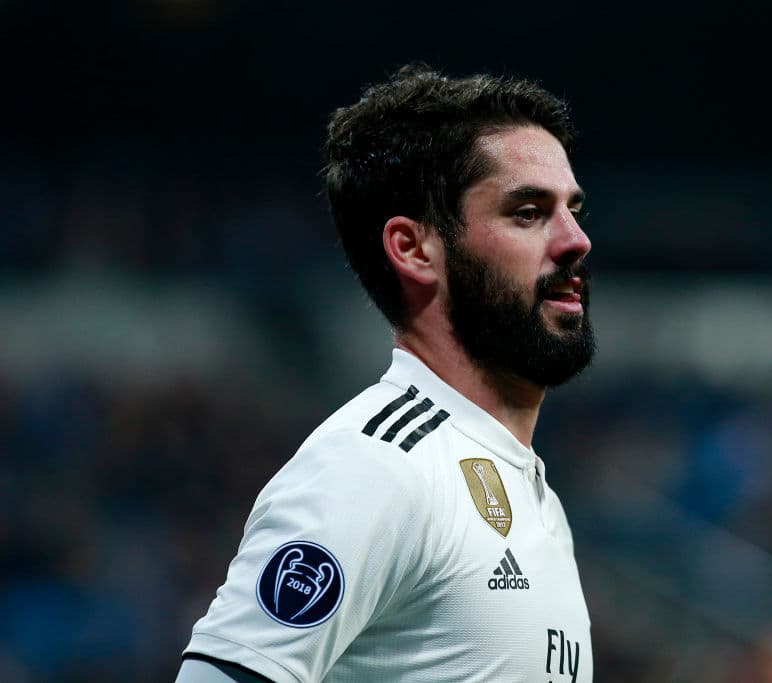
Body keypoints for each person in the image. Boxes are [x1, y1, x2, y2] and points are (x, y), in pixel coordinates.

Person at [176, 63, 596, 683]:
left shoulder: (531, 494)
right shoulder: (375, 468)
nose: (576, 239)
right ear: (414, 249)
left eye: (573, 208)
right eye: (529, 212)